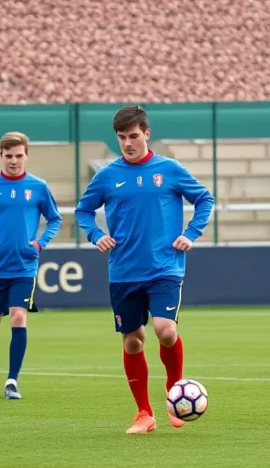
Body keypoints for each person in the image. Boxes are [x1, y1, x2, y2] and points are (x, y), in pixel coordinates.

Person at [75, 105, 215, 434]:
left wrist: (190, 233)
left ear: (147, 134)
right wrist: (96, 234)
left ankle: (174, 393)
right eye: (122, 137)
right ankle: (144, 413)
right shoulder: (107, 176)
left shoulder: (170, 169)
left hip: (165, 267)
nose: (127, 143)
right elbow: (83, 211)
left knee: (165, 330)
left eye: (133, 136)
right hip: (124, 271)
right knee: (133, 342)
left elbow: (204, 199)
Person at [0, 131, 62, 399]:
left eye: (19, 156)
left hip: (24, 266)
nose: (14, 161)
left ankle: (12, 381)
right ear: (1, 156)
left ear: (27, 156)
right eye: (9, 156)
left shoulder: (39, 187)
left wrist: (40, 243)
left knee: (19, 316)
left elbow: (55, 219)